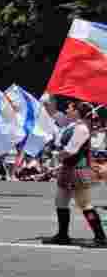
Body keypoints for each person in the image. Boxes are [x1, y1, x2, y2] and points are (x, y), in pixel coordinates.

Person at [44, 101, 107, 246]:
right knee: (60, 201)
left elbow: (72, 150)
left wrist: (57, 155)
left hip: (77, 170)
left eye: (69, 108)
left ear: (77, 112)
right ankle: (62, 235)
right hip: (68, 168)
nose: (66, 110)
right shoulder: (75, 126)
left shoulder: (82, 128)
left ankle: (100, 237)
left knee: (84, 204)